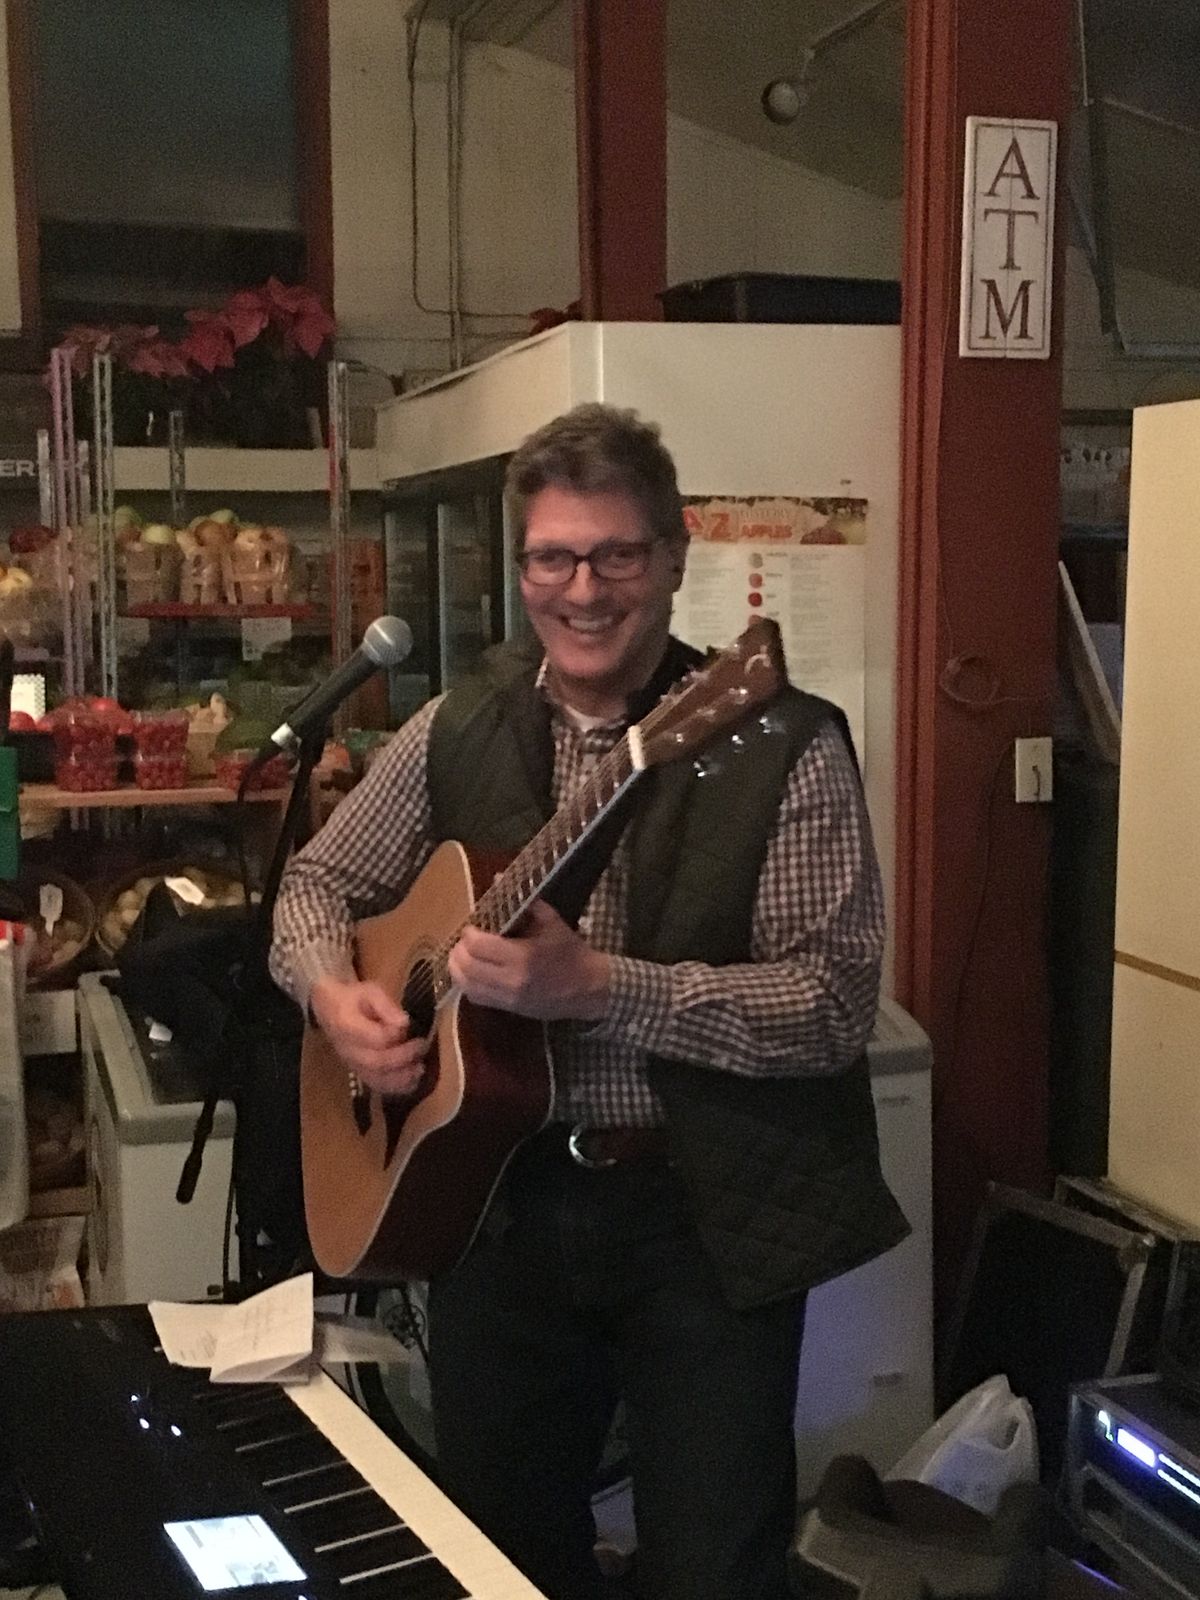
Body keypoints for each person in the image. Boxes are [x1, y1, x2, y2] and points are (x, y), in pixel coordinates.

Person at [270, 402, 908, 1600]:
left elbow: (829, 1003)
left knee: (713, 1571)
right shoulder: (460, 721)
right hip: (496, 1205)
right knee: (501, 1561)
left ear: (672, 558)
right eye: (553, 558)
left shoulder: (779, 741)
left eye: (616, 555)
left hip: (700, 1218)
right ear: (521, 569)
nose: (583, 590)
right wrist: (333, 993)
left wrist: (604, 988)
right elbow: (316, 884)